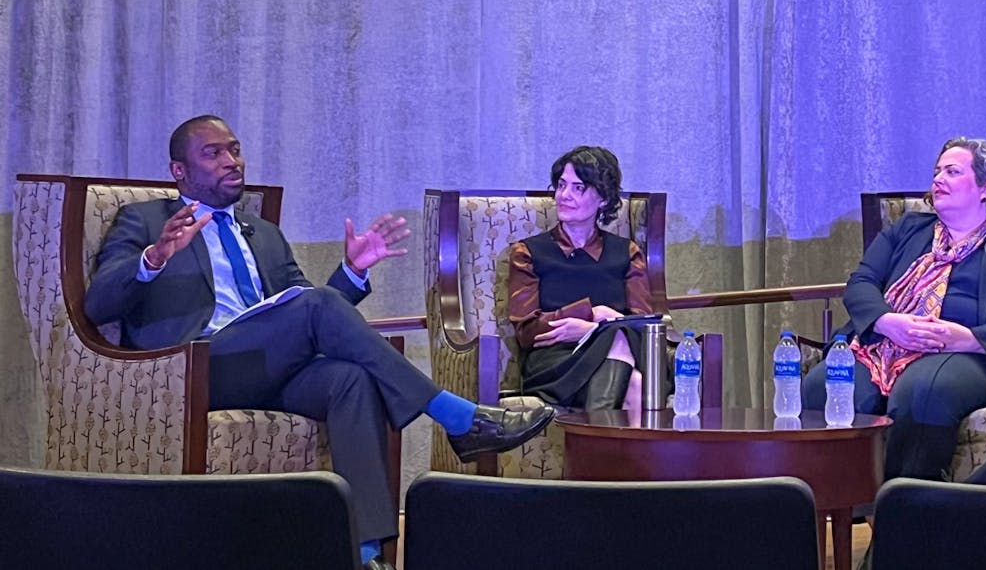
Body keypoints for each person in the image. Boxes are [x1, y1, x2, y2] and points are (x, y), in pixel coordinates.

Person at [84, 115, 553, 570]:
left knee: (350, 380)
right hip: (193, 370)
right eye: (213, 153)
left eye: (235, 149)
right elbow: (98, 304)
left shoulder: (262, 234)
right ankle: (457, 416)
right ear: (179, 171)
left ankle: (365, 554)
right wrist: (155, 257)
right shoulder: (144, 220)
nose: (232, 160)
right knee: (321, 307)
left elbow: (305, 307)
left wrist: (353, 271)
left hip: (264, 368)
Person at [803, 136, 986, 483]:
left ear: (985, 188)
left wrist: (968, 338)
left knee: (923, 392)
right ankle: (848, 508)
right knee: (824, 385)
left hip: (965, 353)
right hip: (884, 342)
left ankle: (909, 518)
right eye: (937, 171)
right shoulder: (908, 229)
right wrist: (886, 321)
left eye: (953, 172)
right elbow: (861, 282)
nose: (938, 179)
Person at [508, 145, 655, 411]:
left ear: (604, 198)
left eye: (578, 188)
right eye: (561, 185)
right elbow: (527, 331)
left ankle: (598, 449)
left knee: (628, 364)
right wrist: (591, 312)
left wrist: (592, 330)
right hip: (556, 364)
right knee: (634, 380)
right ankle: (609, 448)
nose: (564, 195)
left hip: (620, 351)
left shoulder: (627, 252)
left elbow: (643, 324)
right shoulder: (528, 252)